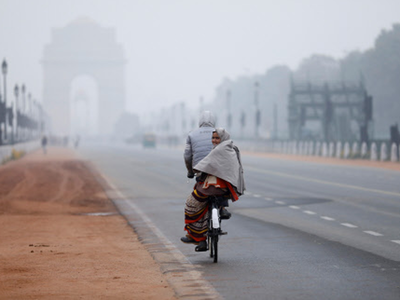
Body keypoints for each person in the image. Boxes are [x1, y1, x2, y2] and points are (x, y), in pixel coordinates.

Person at [181, 128, 245, 251]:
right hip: (226, 190)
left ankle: (198, 238)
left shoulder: (219, 150)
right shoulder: (230, 148)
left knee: (192, 203)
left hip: (212, 188)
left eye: (217, 138)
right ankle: (222, 208)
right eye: (213, 138)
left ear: (223, 139)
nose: (214, 140)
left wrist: (195, 170)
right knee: (205, 207)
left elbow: (204, 164)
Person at [184, 111, 215, 179]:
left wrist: (190, 171)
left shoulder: (191, 135)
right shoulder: (221, 134)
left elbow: (187, 156)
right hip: (218, 172)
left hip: (200, 171)